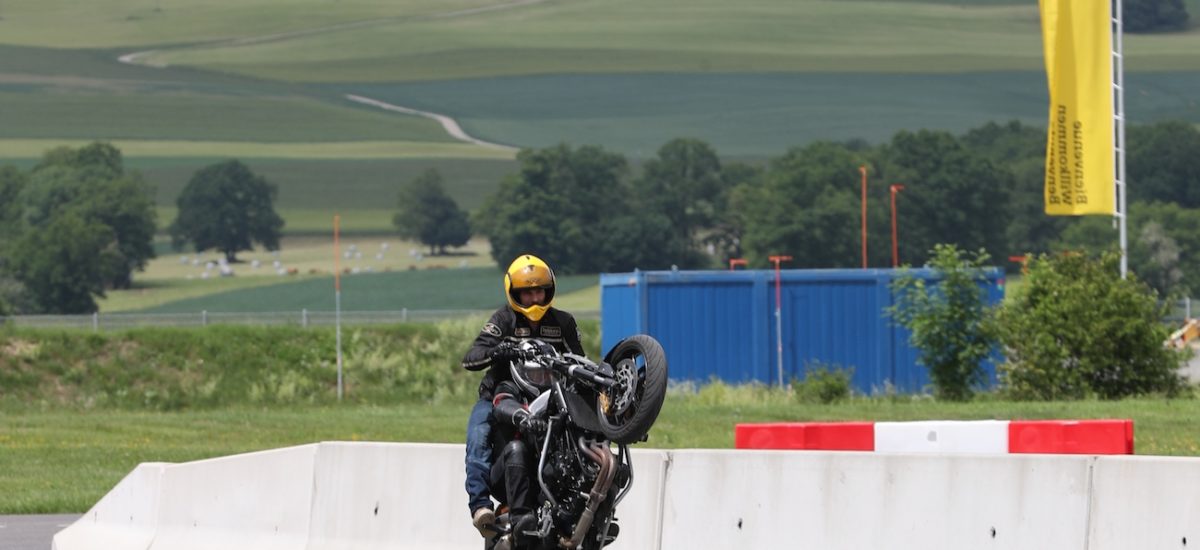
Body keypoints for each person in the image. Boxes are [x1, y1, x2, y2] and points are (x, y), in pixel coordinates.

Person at [461, 254, 585, 539]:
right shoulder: (503, 319)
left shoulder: (563, 322)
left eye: (539, 290)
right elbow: (471, 357)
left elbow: (579, 360)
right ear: (515, 293)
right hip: (502, 394)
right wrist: (498, 350)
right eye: (527, 292)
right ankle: (480, 506)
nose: (534, 297)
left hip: (551, 398)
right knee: (478, 433)